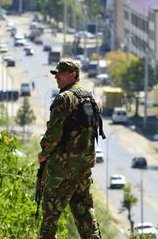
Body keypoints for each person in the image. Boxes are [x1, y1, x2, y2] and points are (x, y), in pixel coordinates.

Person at [38, 60, 101, 239]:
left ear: (73, 74)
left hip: (63, 167)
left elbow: (54, 132)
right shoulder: (91, 98)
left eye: (61, 73)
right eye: (56, 73)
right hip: (83, 166)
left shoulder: (64, 98)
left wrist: (44, 153)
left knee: (50, 211)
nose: (57, 77)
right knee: (84, 209)